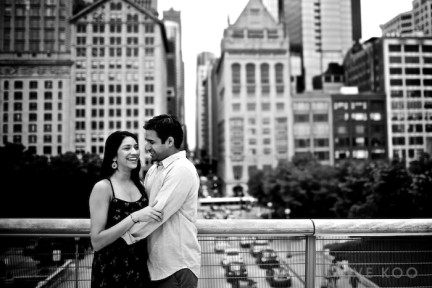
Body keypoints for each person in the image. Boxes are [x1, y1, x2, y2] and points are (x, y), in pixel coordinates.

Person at [122, 114, 201, 288]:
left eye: (152, 142)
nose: (146, 146)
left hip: (176, 267)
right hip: (156, 266)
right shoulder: (154, 170)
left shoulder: (181, 170)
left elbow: (157, 213)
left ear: (170, 141)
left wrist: (121, 237)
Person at [89, 130, 163, 288]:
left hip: (140, 272)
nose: (134, 152)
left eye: (136, 147)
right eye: (127, 148)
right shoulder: (103, 188)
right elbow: (96, 242)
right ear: (114, 156)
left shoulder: (141, 186)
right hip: (111, 273)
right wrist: (133, 217)